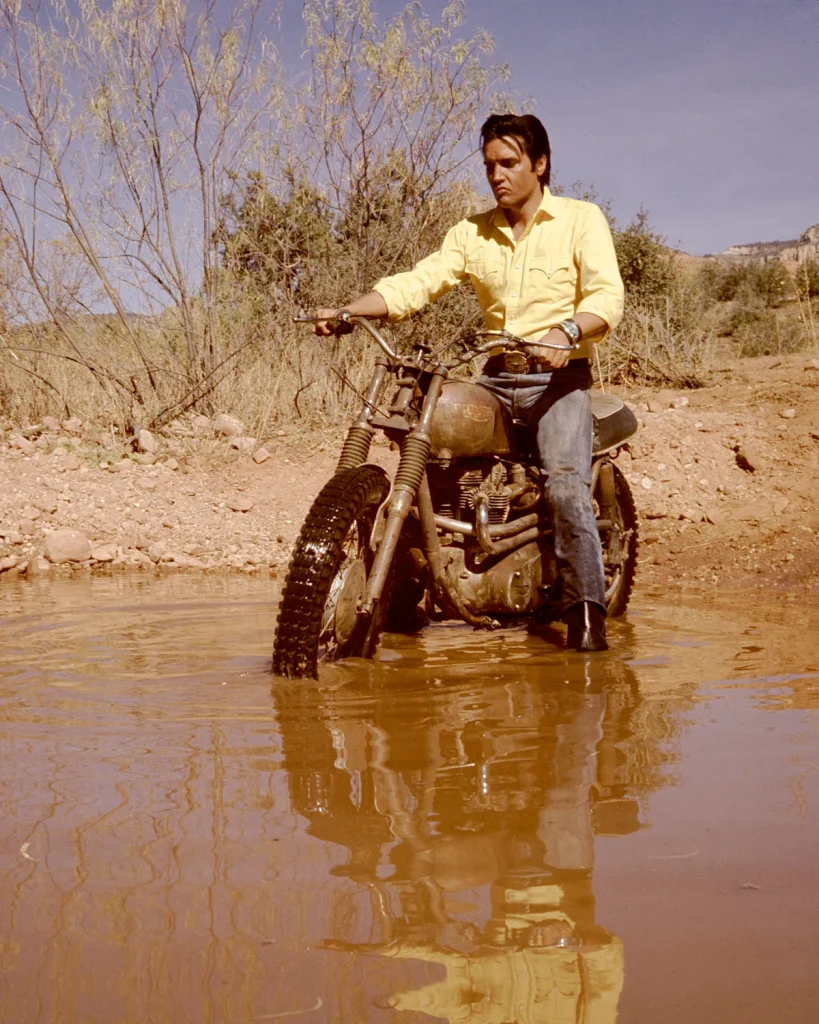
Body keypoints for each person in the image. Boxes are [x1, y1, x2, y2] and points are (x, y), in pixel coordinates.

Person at [313, 113, 624, 651]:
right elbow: (418, 282)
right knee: (429, 450)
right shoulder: (471, 233)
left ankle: (587, 617)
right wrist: (350, 310)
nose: (497, 175)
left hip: (560, 378)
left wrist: (566, 330)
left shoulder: (580, 219)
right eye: (489, 166)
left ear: (540, 164)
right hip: (495, 378)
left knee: (568, 487)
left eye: (509, 163)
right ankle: (408, 593)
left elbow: (606, 297)